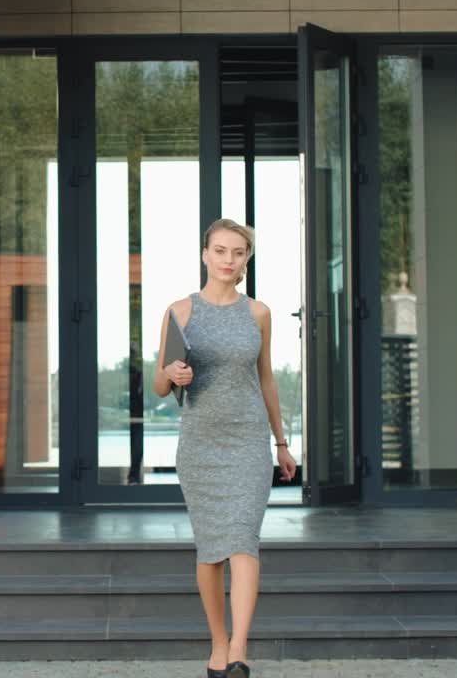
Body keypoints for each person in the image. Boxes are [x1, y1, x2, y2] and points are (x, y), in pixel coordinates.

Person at [153, 218, 298, 678]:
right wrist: (172, 375)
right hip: (200, 444)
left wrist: (282, 442)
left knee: (243, 542)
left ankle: (238, 649)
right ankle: (218, 641)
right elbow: (159, 384)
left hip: (248, 443)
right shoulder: (179, 311)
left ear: (245, 261)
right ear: (205, 254)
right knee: (211, 551)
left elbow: (266, 378)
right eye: (220, 251)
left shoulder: (258, 313)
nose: (228, 260)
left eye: (237, 253)